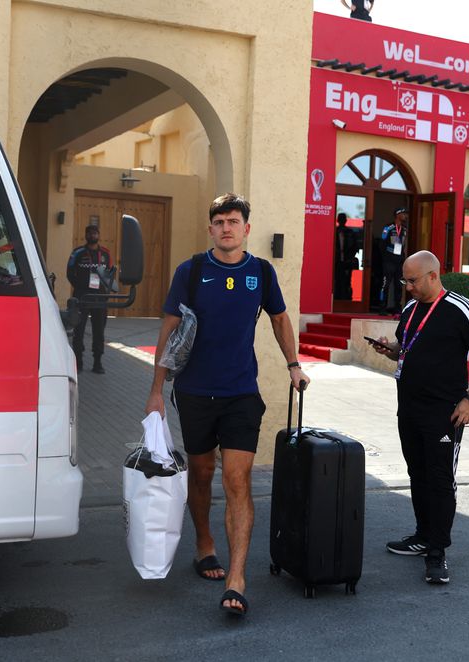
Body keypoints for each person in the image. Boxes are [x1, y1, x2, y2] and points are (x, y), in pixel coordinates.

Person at [145, 193, 308, 617]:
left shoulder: (261, 272)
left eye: (233, 221)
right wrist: (156, 390)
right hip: (196, 392)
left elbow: (279, 318)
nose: (226, 228)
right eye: (219, 222)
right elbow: (169, 327)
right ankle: (204, 543)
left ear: (246, 228)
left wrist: (294, 365)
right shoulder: (192, 271)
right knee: (201, 473)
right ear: (210, 228)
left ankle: (237, 578)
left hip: (241, 394)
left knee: (237, 478)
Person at [371, 250, 469, 584]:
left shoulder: (461, 308)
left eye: (412, 280)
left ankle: (437, 552)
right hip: (409, 408)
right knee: (418, 473)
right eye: (404, 280)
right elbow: (407, 348)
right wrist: (390, 350)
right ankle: (423, 535)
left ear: (432, 275)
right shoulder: (411, 309)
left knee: (440, 479)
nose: (407, 286)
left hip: (444, 413)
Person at [67, 224, 113, 374]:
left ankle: (97, 362)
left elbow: (111, 274)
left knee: (99, 331)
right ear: (86, 235)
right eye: (90, 233)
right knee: (78, 330)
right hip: (82, 297)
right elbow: (70, 272)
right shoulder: (77, 253)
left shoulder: (106, 253)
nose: (92, 235)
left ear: (99, 235)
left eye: (95, 233)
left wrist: (105, 290)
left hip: (100, 298)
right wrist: (80, 287)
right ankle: (78, 362)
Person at [380, 207, 409, 314]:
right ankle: (382, 308)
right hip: (388, 261)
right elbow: (382, 244)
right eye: (403, 214)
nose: (405, 216)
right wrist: (386, 258)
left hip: (399, 262)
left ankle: (397, 309)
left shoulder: (405, 229)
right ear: (397, 215)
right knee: (385, 285)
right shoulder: (388, 228)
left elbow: (403, 245)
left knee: (399, 285)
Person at [334, 212, 358, 299]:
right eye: (340, 219)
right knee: (336, 281)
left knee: (347, 282)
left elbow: (355, 247)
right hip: (336, 262)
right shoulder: (334, 232)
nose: (342, 221)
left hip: (347, 262)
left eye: (343, 219)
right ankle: (337, 299)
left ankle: (346, 300)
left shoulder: (350, 233)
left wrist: (350, 258)